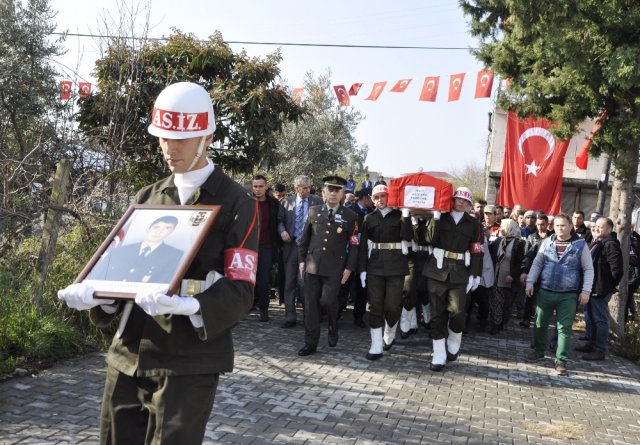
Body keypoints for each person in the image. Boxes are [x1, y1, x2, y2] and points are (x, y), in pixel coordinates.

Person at [58, 82, 259, 444]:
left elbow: (242, 289)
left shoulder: (237, 203)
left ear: (207, 137)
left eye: (181, 138)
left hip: (189, 359)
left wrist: (192, 305)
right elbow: (127, 268)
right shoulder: (148, 197)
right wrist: (101, 296)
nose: (170, 148)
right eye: (164, 137)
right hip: (129, 352)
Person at [422, 186, 484, 371]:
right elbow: (429, 239)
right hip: (436, 270)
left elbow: (477, 250)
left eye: (465, 200)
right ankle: (438, 354)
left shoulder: (474, 224)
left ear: (469, 204)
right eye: (458, 199)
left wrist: (475, 274)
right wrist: (435, 217)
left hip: (459, 272)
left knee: (457, 312)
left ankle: (455, 338)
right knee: (436, 313)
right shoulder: (441, 217)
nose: (460, 202)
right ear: (452, 199)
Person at [525, 213, 594, 376]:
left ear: (570, 226)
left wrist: (586, 291)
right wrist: (530, 281)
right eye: (556, 225)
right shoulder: (547, 242)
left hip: (568, 294)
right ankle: (538, 352)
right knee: (540, 324)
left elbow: (588, 269)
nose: (560, 228)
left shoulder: (581, 244)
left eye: (563, 225)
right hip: (546, 290)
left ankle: (560, 360)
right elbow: (537, 263)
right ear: (552, 226)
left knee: (564, 328)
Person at [297, 176, 359, 356]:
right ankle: (310, 343)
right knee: (310, 306)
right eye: (329, 190)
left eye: (337, 190)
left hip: (335, 268)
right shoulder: (314, 211)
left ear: (342, 194)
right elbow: (304, 240)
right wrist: (301, 261)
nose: (333, 193)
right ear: (323, 193)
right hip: (312, 266)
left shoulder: (351, 216)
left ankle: (333, 326)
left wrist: (349, 268)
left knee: (327, 301)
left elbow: (354, 244)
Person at [359, 184, 413, 360]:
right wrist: (362, 269)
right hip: (374, 265)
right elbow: (362, 246)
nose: (380, 200)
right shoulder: (369, 218)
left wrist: (406, 214)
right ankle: (375, 345)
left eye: (383, 196)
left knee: (392, 306)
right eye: (376, 197)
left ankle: (390, 330)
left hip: (396, 266)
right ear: (372, 200)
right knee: (374, 305)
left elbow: (407, 236)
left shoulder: (399, 216)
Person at [277, 175, 323, 328]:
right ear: (296, 188)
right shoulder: (286, 202)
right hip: (291, 247)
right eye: (304, 187)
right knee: (289, 283)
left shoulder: (317, 201)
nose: (307, 190)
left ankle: (308, 316)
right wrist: (282, 231)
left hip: (309, 249)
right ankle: (290, 317)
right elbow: (279, 221)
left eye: (309, 187)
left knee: (305, 284)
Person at [575, 217, 622, 360]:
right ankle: (591, 343)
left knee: (600, 319)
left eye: (601, 227)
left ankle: (600, 349)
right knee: (590, 318)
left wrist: (607, 285)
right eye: (595, 226)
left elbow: (617, 270)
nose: (597, 229)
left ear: (609, 229)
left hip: (600, 289)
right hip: (590, 287)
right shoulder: (597, 242)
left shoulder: (611, 244)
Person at [88, 215, 184, 283]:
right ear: (148, 229)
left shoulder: (175, 255)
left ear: (171, 233)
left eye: (167, 229)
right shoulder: (122, 250)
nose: (159, 231)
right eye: (156, 227)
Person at [488, 219, 525, 334]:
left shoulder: (519, 243)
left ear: (511, 228)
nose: (501, 229)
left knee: (507, 304)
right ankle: (496, 324)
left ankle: (502, 322)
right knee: (496, 301)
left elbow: (520, 262)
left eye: (505, 227)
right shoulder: (498, 241)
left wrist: (512, 275)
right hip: (497, 277)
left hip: (510, 279)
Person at [252, 174, 281, 322]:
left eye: (260, 186)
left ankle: (263, 309)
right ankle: (247, 306)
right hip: (248, 247)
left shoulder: (274, 204)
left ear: (266, 187)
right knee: (247, 279)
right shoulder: (246, 202)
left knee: (263, 280)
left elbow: (278, 223)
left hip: (266, 247)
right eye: (255, 186)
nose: (257, 189)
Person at [347, 190, 375, 327]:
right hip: (350, 252)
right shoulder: (350, 210)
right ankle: (337, 310)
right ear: (365, 198)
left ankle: (359, 316)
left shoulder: (371, 212)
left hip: (365, 253)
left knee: (362, 286)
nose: (373, 200)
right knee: (345, 284)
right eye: (371, 197)